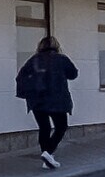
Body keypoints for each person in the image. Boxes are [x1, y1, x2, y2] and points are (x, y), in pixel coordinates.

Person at [15, 35, 79, 169]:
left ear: (40, 46)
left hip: (37, 100)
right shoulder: (62, 59)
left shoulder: (33, 60)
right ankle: (47, 153)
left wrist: (27, 93)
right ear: (56, 46)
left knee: (44, 128)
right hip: (57, 100)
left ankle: (47, 158)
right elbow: (73, 74)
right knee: (61, 127)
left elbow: (21, 77)